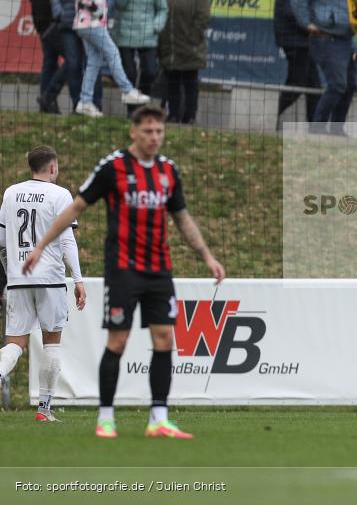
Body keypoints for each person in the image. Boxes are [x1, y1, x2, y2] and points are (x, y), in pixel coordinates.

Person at [22, 105, 226, 439]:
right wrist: (41, 246)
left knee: (165, 338)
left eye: (159, 131)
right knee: (118, 340)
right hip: (123, 269)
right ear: (134, 131)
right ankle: (106, 418)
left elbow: (182, 218)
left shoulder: (168, 171)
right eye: (148, 131)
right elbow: (75, 207)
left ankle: (159, 419)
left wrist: (207, 256)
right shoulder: (113, 167)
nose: (154, 137)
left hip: (159, 270)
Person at [0, 146, 86, 422]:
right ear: (52, 167)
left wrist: (11, 269)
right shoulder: (60, 195)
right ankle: (44, 410)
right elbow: (67, 241)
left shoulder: (10, 193)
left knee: (15, 343)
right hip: (50, 279)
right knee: (51, 343)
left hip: (18, 279)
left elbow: (2, 241)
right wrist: (78, 279)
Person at [291, 0, 357, 136]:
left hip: (345, 38)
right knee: (337, 85)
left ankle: (337, 128)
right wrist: (307, 23)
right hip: (327, 39)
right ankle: (317, 126)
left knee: (350, 85)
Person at [73, 0, 150, 117]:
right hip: (92, 23)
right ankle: (127, 90)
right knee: (113, 52)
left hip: (83, 24)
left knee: (94, 61)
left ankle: (85, 101)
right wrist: (98, 12)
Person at [47, 0, 108, 113]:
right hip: (69, 24)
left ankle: (95, 104)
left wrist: (101, 13)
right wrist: (59, 12)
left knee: (93, 63)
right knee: (73, 64)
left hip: (92, 24)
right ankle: (77, 105)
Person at [115, 0, 168, 116]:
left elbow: (162, 9)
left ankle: (142, 106)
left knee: (151, 72)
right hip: (125, 34)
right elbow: (119, 4)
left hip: (147, 34)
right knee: (129, 73)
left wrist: (156, 26)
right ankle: (131, 111)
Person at [159, 0, 210, 124]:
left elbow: (203, 17)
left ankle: (189, 116)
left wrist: (192, 38)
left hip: (189, 45)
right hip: (169, 44)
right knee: (172, 81)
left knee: (190, 82)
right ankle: (173, 114)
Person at [274, 0, 321, 127]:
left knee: (313, 86)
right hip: (295, 40)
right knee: (298, 84)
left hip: (300, 40)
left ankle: (315, 127)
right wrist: (310, 25)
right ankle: (269, 115)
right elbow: (291, 10)